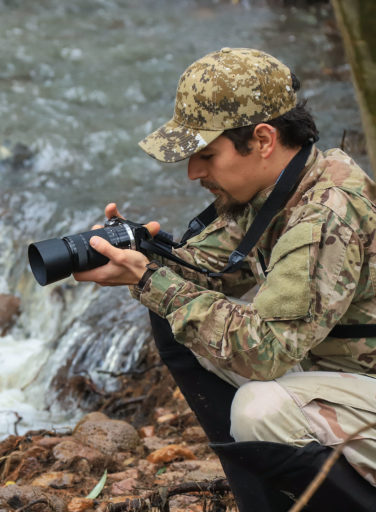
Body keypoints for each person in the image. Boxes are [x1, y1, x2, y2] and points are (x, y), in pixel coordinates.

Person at [73, 47, 376, 511]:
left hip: (361, 383)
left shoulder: (325, 214)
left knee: (261, 410)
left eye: (206, 155)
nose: (193, 172)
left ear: (263, 139)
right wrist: (130, 253)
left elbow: (265, 354)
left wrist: (152, 280)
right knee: (174, 313)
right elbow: (205, 276)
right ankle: (264, 499)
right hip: (344, 377)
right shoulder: (281, 185)